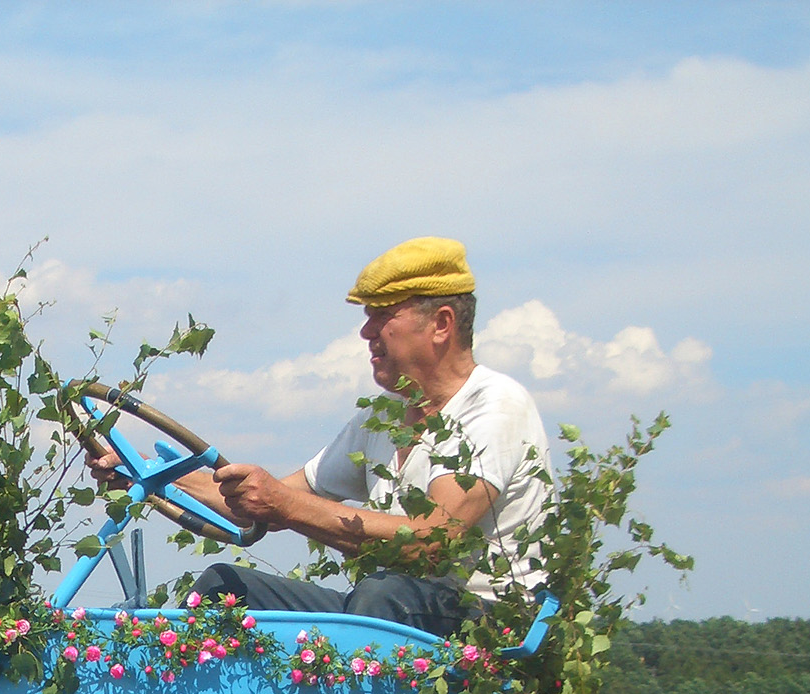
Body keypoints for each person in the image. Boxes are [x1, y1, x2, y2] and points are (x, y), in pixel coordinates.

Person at [102, 237, 551, 637]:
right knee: (226, 589)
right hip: (395, 607)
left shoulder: (494, 406)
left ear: (442, 323)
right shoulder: (383, 419)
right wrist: (150, 473)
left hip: (489, 628)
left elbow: (430, 543)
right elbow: (264, 503)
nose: (366, 332)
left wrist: (282, 503)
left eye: (383, 317)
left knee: (382, 596)